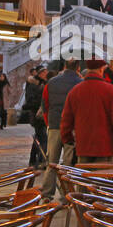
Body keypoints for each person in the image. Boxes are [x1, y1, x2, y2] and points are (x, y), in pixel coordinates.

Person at [61, 59, 113, 164]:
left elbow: (66, 119)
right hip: (105, 145)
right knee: (101, 178)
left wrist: (67, 138)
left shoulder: (75, 91)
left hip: (83, 145)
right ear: (101, 69)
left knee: (84, 178)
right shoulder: (110, 90)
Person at [40, 59, 83, 196]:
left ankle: (47, 193)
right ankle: (66, 194)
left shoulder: (51, 82)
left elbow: (45, 104)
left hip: (54, 125)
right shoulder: (80, 83)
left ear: (64, 67)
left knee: (51, 161)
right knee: (67, 163)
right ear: (78, 67)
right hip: (71, 127)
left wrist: (48, 123)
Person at [21, 67, 46, 165]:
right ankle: (40, 160)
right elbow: (30, 100)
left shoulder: (43, 83)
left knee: (39, 137)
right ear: (40, 73)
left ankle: (33, 159)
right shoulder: (33, 85)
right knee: (43, 137)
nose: (46, 74)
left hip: (41, 114)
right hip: (36, 115)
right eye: (44, 72)